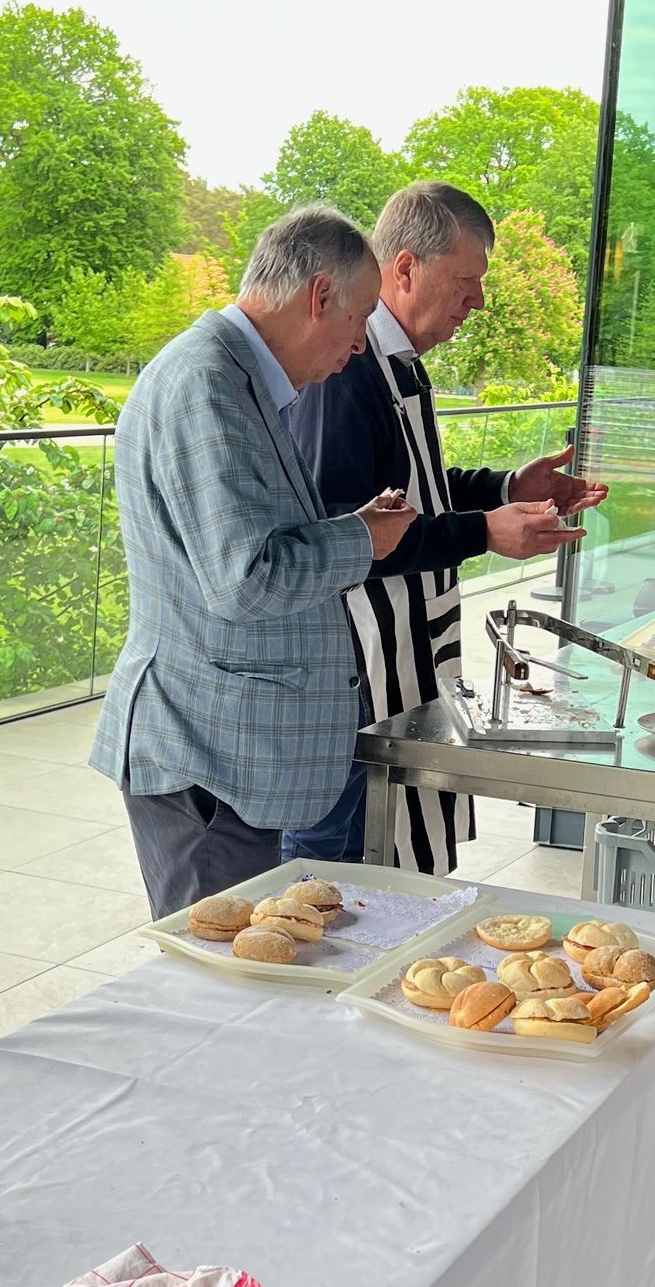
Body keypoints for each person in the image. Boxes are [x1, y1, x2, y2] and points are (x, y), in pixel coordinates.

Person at [91, 207, 415, 916]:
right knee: (215, 971)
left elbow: (245, 544)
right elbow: (244, 579)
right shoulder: (207, 385)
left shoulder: (232, 378)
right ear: (319, 296)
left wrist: (353, 527)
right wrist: (361, 539)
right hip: (207, 763)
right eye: (361, 316)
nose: (361, 343)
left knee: (235, 962)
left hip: (225, 759)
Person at [283, 181, 602, 871]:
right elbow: (351, 529)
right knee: (340, 872)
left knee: (394, 858)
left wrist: (508, 487)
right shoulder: (346, 369)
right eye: (465, 281)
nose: (478, 301)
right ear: (404, 268)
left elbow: (410, 490)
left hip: (399, 658)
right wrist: (485, 532)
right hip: (351, 677)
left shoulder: (398, 364)